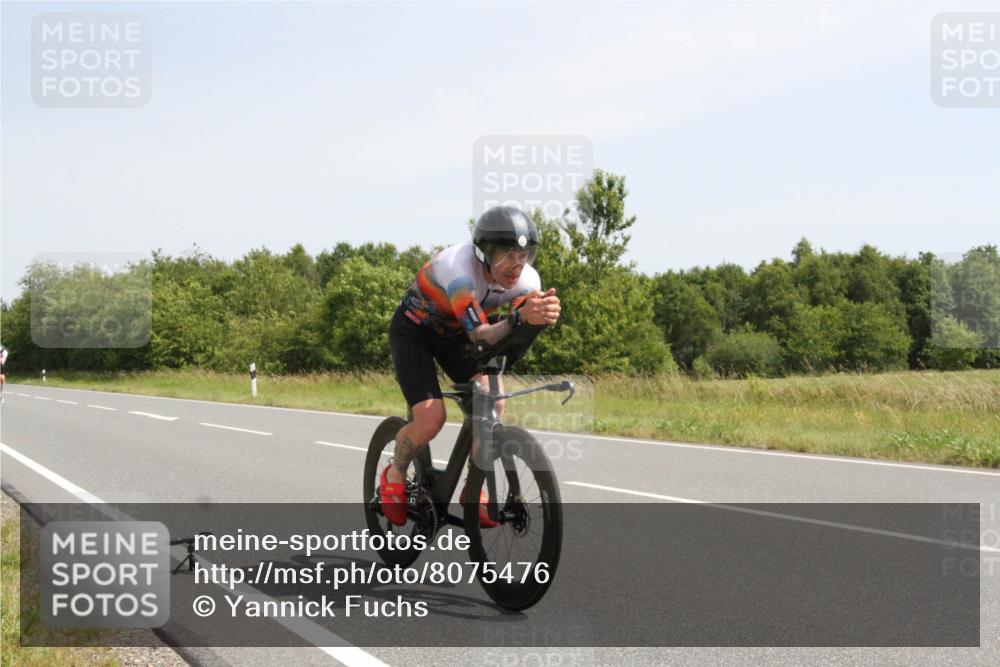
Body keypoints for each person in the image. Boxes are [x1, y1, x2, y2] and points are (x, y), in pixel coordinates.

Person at [382, 206, 561, 526]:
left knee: (495, 403)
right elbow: (481, 335)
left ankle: (473, 486)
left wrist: (536, 318)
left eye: (525, 254)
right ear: (483, 252)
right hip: (415, 332)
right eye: (507, 254)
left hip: (455, 336)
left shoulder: (527, 280)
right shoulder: (459, 270)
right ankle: (395, 472)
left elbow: (511, 337)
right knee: (432, 417)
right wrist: (520, 317)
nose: (516, 264)